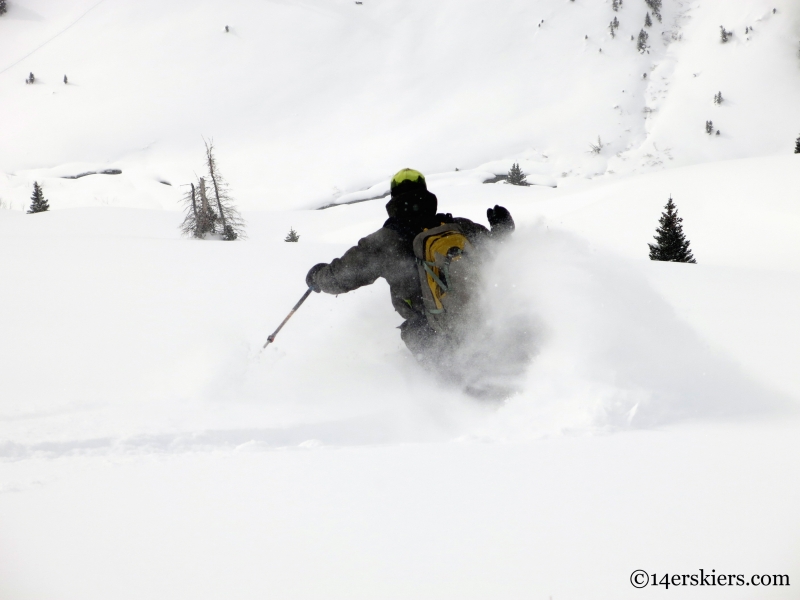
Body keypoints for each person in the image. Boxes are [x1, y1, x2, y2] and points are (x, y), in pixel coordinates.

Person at [306, 168, 515, 363]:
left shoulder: (384, 242)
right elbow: (495, 251)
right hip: (483, 320)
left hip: (432, 336)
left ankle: (451, 392)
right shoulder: (455, 226)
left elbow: (341, 277)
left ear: (393, 200)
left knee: (418, 334)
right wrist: (501, 229)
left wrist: (317, 277)